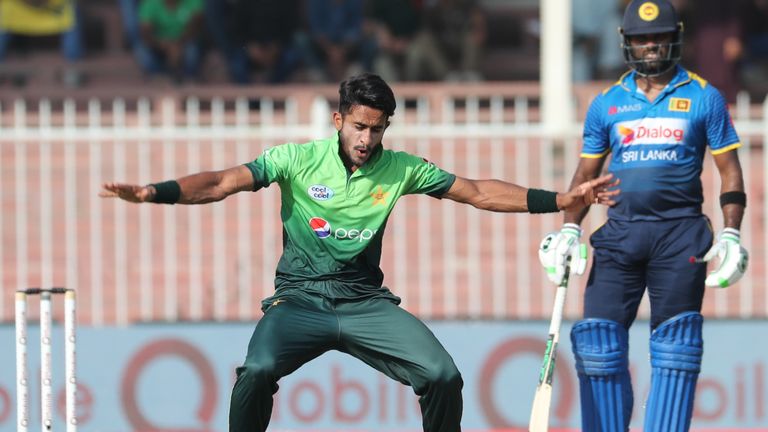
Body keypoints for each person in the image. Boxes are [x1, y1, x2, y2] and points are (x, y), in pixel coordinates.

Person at [100, 73, 619, 432]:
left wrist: (560, 201)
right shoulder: (295, 159)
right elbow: (220, 182)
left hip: (365, 303)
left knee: (442, 376)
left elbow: (479, 192)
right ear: (338, 119)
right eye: (359, 126)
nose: (367, 139)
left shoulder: (403, 168)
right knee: (256, 371)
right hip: (299, 301)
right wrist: (154, 191)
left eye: (377, 128)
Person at [538, 1, 748, 431]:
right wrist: (569, 229)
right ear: (627, 43)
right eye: (641, 38)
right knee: (597, 343)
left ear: (675, 38)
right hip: (620, 234)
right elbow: (585, 175)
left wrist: (731, 233)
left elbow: (730, 170)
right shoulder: (607, 103)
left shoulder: (703, 97)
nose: (650, 45)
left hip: (680, 235)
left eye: (658, 36)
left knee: (676, 348)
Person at [135, 0, 204, 83]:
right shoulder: (150, 2)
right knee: (142, 51)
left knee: (192, 51)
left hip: (184, 43)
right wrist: (164, 45)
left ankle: (185, 76)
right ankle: (162, 75)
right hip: (159, 45)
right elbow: (145, 32)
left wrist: (178, 44)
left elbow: (197, 25)